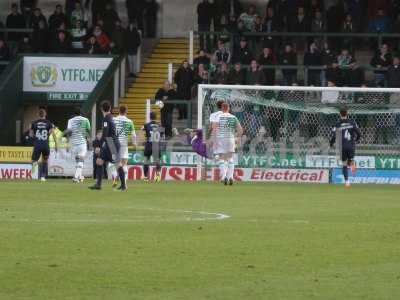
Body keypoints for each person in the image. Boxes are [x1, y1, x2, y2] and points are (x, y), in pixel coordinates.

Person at [89, 101, 121, 190]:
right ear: (110, 108)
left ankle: (123, 184)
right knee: (99, 161)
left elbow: (105, 133)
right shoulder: (111, 117)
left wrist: (99, 145)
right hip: (111, 142)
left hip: (110, 142)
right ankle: (98, 184)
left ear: (102, 109)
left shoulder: (106, 118)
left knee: (117, 164)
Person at [212, 102, 243, 185]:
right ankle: (231, 177)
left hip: (221, 138)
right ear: (228, 108)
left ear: (222, 108)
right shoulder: (233, 117)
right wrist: (238, 137)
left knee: (221, 158)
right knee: (230, 158)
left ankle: (224, 177)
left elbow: (214, 128)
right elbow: (240, 129)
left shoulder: (218, 116)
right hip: (230, 138)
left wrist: (214, 140)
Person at [329, 108, 361, 187]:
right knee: (350, 161)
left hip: (342, 146)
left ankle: (347, 181)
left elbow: (333, 136)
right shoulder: (352, 122)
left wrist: (331, 144)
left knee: (344, 164)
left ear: (340, 114)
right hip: (351, 146)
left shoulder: (337, 124)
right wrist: (356, 140)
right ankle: (352, 163)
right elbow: (359, 133)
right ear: (347, 114)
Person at [111, 105, 136, 189]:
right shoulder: (129, 122)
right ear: (126, 111)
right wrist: (134, 143)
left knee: (116, 164)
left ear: (119, 111)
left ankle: (116, 179)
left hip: (114, 143)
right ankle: (124, 183)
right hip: (123, 144)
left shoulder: (113, 120)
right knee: (124, 164)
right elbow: (133, 135)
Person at [29, 107, 58, 181]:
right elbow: (53, 134)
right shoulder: (48, 123)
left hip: (37, 144)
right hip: (45, 145)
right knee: (44, 161)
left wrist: (34, 132)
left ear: (38, 114)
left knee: (34, 161)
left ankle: (33, 174)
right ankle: (42, 176)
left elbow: (31, 135)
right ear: (45, 114)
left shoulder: (34, 123)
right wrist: (56, 144)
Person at [65, 107, 91, 183]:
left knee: (78, 161)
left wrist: (68, 142)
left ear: (74, 114)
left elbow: (68, 132)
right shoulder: (85, 120)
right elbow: (88, 130)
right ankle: (76, 177)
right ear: (81, 113)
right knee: (81, 160)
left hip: (73, 143)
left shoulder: (70, 121)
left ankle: (80, 176)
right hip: (82, 143)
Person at [142, 112, 164, 182]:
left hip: (149, 145)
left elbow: (142, 131)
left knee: (146, 161)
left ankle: (145, 177)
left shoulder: (146, 125)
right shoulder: (160, 126)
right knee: (157, 161)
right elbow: (162, 137)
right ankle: (157, 176)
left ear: (150, 117)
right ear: (156, 117)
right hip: (156, 145)